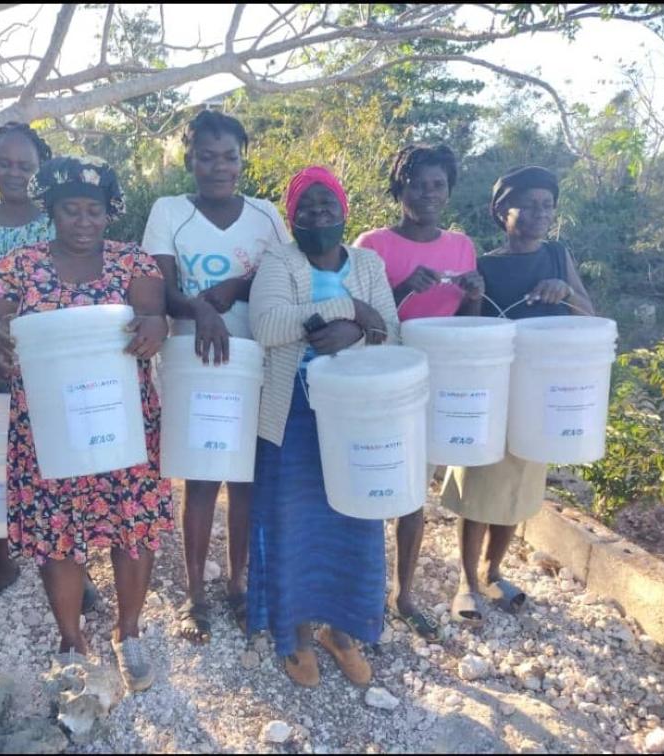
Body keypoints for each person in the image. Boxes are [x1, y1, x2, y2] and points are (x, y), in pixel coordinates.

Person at [0, 156, 173, 692]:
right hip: (48, 429)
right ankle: (70, 639)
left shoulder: (134, 263)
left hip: (123, 424)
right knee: (57, 536)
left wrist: (155, 326)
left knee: (132, 525)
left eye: (94, 211)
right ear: (52, 211)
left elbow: (152, 314)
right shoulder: (18, 266)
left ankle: (127, 631)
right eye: (71, 211)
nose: (82, 221)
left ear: (109, 213)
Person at [247, 166, 401, 688]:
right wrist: (349, 308)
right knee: (293, 525)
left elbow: (391, 332)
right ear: (291, 218)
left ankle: (342, 630)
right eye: (305, 209)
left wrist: (352, 331)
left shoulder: (369, 262)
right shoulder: (278, 260)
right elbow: (266, 326)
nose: (317, 216)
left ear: (343, 211)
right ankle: (294, 636)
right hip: (291, 414)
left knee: (355, 523)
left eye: (326, 206)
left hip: (358, 417)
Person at [142, 110, 289, 644]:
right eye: (206, 155)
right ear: (190, 159)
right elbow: (157, 285)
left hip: (256, 362)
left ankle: (238, 583)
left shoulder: (267, 215)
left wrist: (237, 286)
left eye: (229, 156)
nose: (218, 166)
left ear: (242, 160)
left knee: (245, 479)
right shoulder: (169, 212)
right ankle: (195, 594)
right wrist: (200, 310)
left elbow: (284, 275)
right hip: (194, 363)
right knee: (201, 479)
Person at [0, 122, 101, 609]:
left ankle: (78, 566)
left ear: (39, 171)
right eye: (5, 163)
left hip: (52, 361)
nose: (13, 173)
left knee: (64, 459)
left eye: (25, 166)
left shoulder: (53, 220)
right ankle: (6, 563)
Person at [442, 165, 595, 625]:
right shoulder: (483, 265)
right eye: (526, 205)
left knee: (518, 489)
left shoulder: (557, 257)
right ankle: (465, 582)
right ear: (500, 212)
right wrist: (473, 295)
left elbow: (590, 318)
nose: (538, 214)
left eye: (546, 206)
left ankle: (493, 571)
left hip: (538, 394)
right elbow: (466, 329)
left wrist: (565, 291)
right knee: (478, 487)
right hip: (488, 393)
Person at [353, 144, 484, 641]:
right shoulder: (373, 244)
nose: (428, 194)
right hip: (385, 375)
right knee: (373, 476)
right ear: (399, 189)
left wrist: (472, 296)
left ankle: (402, 594)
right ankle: (362, 591)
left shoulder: (461, 246)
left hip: (442, 377)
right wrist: (406, 288)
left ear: (448, 190)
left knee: (415, 490)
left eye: (438, 185)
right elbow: (364, 319)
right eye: (418, 184)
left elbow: (468, 326)